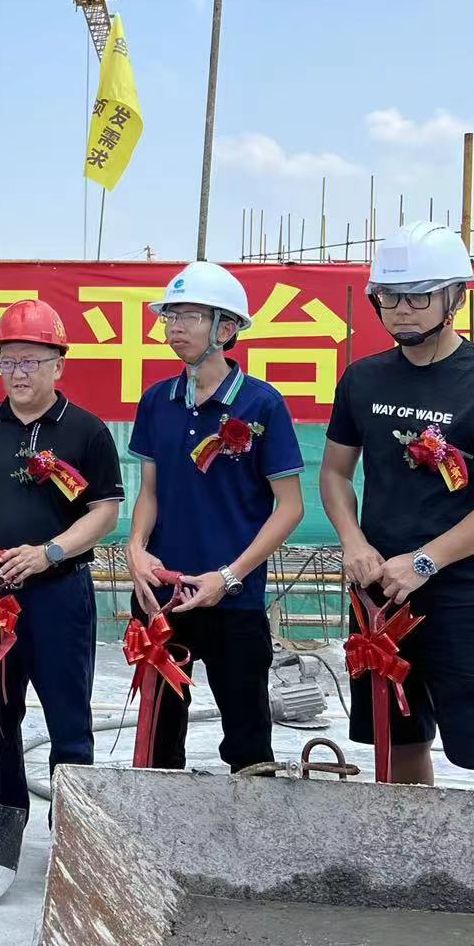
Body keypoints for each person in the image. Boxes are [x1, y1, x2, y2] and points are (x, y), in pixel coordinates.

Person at [321, 222, 474, 790]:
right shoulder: (363, 379)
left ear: (456, 297)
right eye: (390, 296)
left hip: (466, 597)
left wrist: (426, 561)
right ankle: (414, 851)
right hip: (380, 596)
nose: (402, 309)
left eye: (419, 295)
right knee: (398, 747)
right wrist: (353, 541)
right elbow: (335, 472)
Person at [0, 300, 125, 807]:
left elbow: (105, 512)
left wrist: (51, 552)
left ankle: (70, 827)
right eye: (8, 361)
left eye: (31, 361)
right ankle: (2, 818)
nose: (18, 373)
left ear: (58, 366)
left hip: (57, 595)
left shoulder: (86, 430)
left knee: (69, 719)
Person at [125, 261, 305, 772]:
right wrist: (136, 550)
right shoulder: (157, 401)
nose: (174, 327)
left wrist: (229, 577)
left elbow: (291, 507)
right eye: (170, 316)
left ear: (226, 329)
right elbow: (150, 492)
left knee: (248, 745)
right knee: (157, 741)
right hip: (164, 595)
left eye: (189, 316)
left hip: (234, 599)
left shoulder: (262, 404)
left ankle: (252, 824)